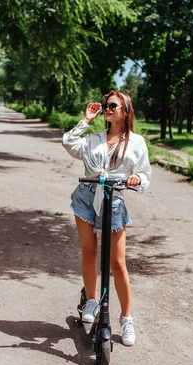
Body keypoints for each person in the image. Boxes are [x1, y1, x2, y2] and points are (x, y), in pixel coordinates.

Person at [62, 90, 152, 346]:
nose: (107, 109)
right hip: (85, 198)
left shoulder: (137, 143)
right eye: (105, 106)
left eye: (113, 105)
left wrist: (137, 178)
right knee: (89, 253)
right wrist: (86, 121)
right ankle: (91, 301)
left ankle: (126, 318)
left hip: (113, 199)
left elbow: (145, 174)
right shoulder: (93, 139)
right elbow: (68, 142)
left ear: (125, 111)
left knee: (118, 264)